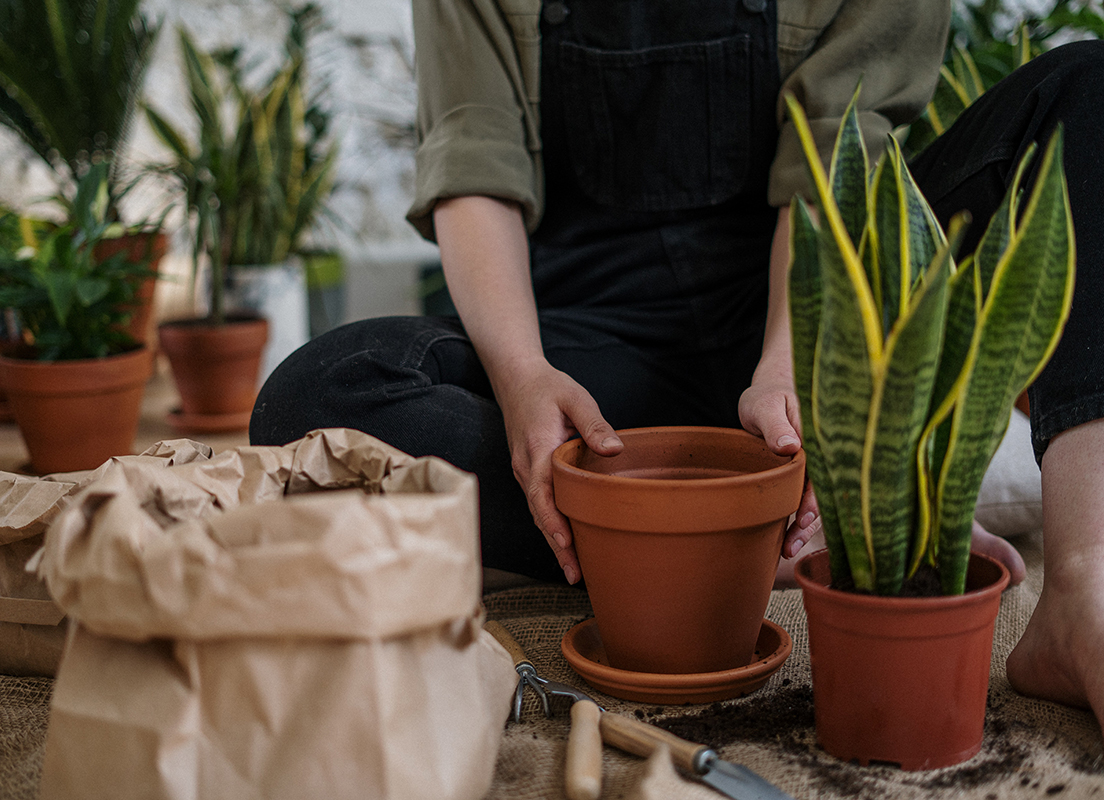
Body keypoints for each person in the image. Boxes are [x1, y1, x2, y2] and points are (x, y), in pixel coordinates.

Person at [252, 0, 1104, 722]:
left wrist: (789, 366)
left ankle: (1082, 590)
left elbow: (838, 156)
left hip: (820, 300)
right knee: (317, 397)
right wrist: (523, 378)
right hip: (588, 352)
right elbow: (474, 164)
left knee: (1084, 87)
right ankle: (772, 534)